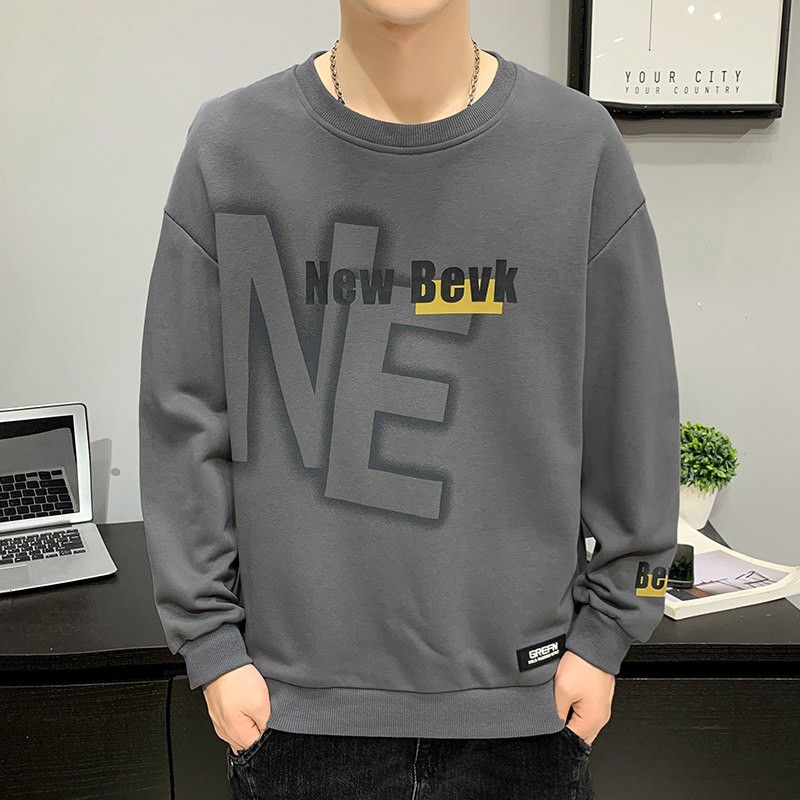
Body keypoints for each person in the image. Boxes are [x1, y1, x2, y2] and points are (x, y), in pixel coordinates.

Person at [138, 0, 680, 797]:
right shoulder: (231, 146)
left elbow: (634, 410)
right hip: (293, 719)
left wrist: (611, 632)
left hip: (526, 713)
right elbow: (182, 416)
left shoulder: (578, 146)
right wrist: (211, 645)